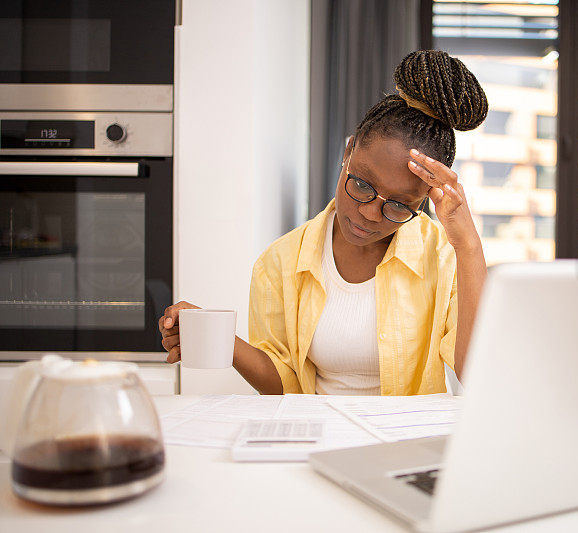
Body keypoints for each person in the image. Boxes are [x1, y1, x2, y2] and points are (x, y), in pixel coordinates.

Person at [159, 50, 489, 395]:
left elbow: (476, 375)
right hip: (319, 441)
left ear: (423, 199)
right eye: (362, 184)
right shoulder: (281, 262)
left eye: (398, 206)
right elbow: (283, 386)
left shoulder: (445, 257)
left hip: (405, 445)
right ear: (348, 153)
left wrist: (468, 246)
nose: (369, 214)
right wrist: (224, 342)